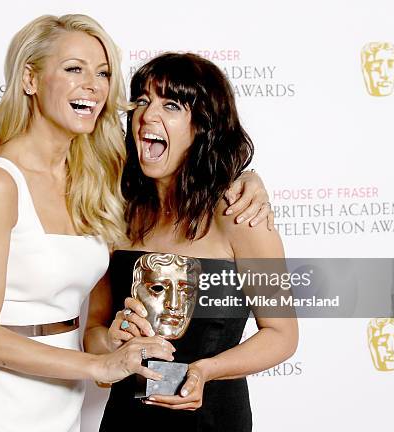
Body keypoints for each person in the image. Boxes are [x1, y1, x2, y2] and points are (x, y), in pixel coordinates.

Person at [0, 15, 272, 432]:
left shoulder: (93, 180)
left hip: (66, 395)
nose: (94, 85)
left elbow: (281, 331)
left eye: (102, 72)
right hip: (4, 396)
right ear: (29, 78)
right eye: (73, 69)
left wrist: (247, 179)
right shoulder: (1, 182)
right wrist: (103, 358)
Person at [84, 53, 298, 432]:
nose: (148, 116)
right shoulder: (118, 212)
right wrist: (111, 342)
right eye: (143, 102)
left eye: (171, 105)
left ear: (203, 126)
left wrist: (206, 371)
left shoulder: (240, 215)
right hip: (125, 422)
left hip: (212, 421)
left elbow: (282, 335)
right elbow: (95, 334)